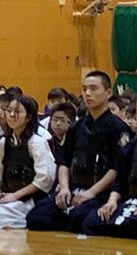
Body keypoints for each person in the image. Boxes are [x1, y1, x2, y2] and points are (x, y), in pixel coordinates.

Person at [26, 71, 130, 233]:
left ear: (108, 93)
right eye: (84, 89)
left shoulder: (118, 128)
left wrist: (91, 192)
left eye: (93, 89)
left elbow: (116, 169)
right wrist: (65, 187)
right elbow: (63, 161)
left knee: (81, 219)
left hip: (99, 192)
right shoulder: (76, 127)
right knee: (36, 218)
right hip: (74, 189)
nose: (87, 93)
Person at [0, 95, 56, 229]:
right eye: (9, 110)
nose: (11, 115)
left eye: (17, 112)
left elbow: (44, 179)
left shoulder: (37, 142)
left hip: (30, 198)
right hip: (8, 195)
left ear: (28, 117)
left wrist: (16, 195)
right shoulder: (4, 142)